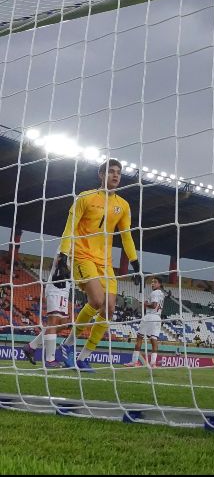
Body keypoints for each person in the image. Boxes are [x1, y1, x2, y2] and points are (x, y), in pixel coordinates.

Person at [55, 158, 142, 372]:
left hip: (105, 262)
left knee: (110, 309)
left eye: (118, 173)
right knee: (96, 300)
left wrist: (135, 263)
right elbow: (69, 228)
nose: (115, 176)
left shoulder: (123, 205)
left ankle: (84, 357)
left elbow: (126, 236)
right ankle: (66, 346)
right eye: (111, 172)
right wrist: (63, 256)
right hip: (82, 255)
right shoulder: (85, 197)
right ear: (101, 175)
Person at [21, 273, 71, 369]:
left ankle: (31, 346)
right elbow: (60, 262)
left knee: (64, 324)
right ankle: (50, 359)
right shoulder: (66, 258)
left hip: (65, 288)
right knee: (53, 321)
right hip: (57, 286)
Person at [125, 277, 166, 368]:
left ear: (159, 284)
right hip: (157, 318)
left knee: (139, 337)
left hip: (150, 316)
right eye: (152, 282)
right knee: (154, 339)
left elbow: (154, 305)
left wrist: (144, 304)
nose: (152, 283)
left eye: (155, 282)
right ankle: (153, 363)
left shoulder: (154, 293)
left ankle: (134, 361)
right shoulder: (162, 294)